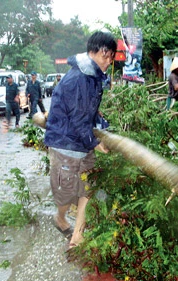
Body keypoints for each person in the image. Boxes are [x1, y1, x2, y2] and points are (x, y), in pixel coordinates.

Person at [44, 31, 117, 249]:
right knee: (66, 193)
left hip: (82, 142)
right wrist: (96, 142)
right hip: (66, 143)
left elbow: (86, 110)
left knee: (88, 186)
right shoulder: (80, 78)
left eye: (111, 57)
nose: (109, 61)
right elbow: (77, 118)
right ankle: (60, 218)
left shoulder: (93, 77)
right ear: (96, 52)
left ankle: (77, 236)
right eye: (106, 56)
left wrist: (97, 117)